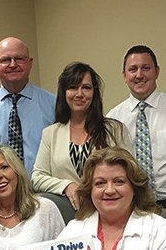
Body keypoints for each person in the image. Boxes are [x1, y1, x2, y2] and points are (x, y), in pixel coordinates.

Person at [32, 62, 129, 210]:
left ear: (94, 93)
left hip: (110, 211)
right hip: (69, 214)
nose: (79, 94)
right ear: (64, 93)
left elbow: (130, 174)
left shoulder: (115, 130)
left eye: (86, 88)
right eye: (73, 87)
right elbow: (37, 177)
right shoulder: (50, 133)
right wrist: (68, 186)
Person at [106, 45, 166, 207]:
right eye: (133, 69)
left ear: (157, 71)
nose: (139, 75)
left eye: (145, 68)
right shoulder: (113, 119)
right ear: (124, 75)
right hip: (131, 203)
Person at [0, 37, 56, 173]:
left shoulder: (53, 105)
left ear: (30, 63)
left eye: (19, 58)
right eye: (5, 60)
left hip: (45, 191)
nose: (13, 64)